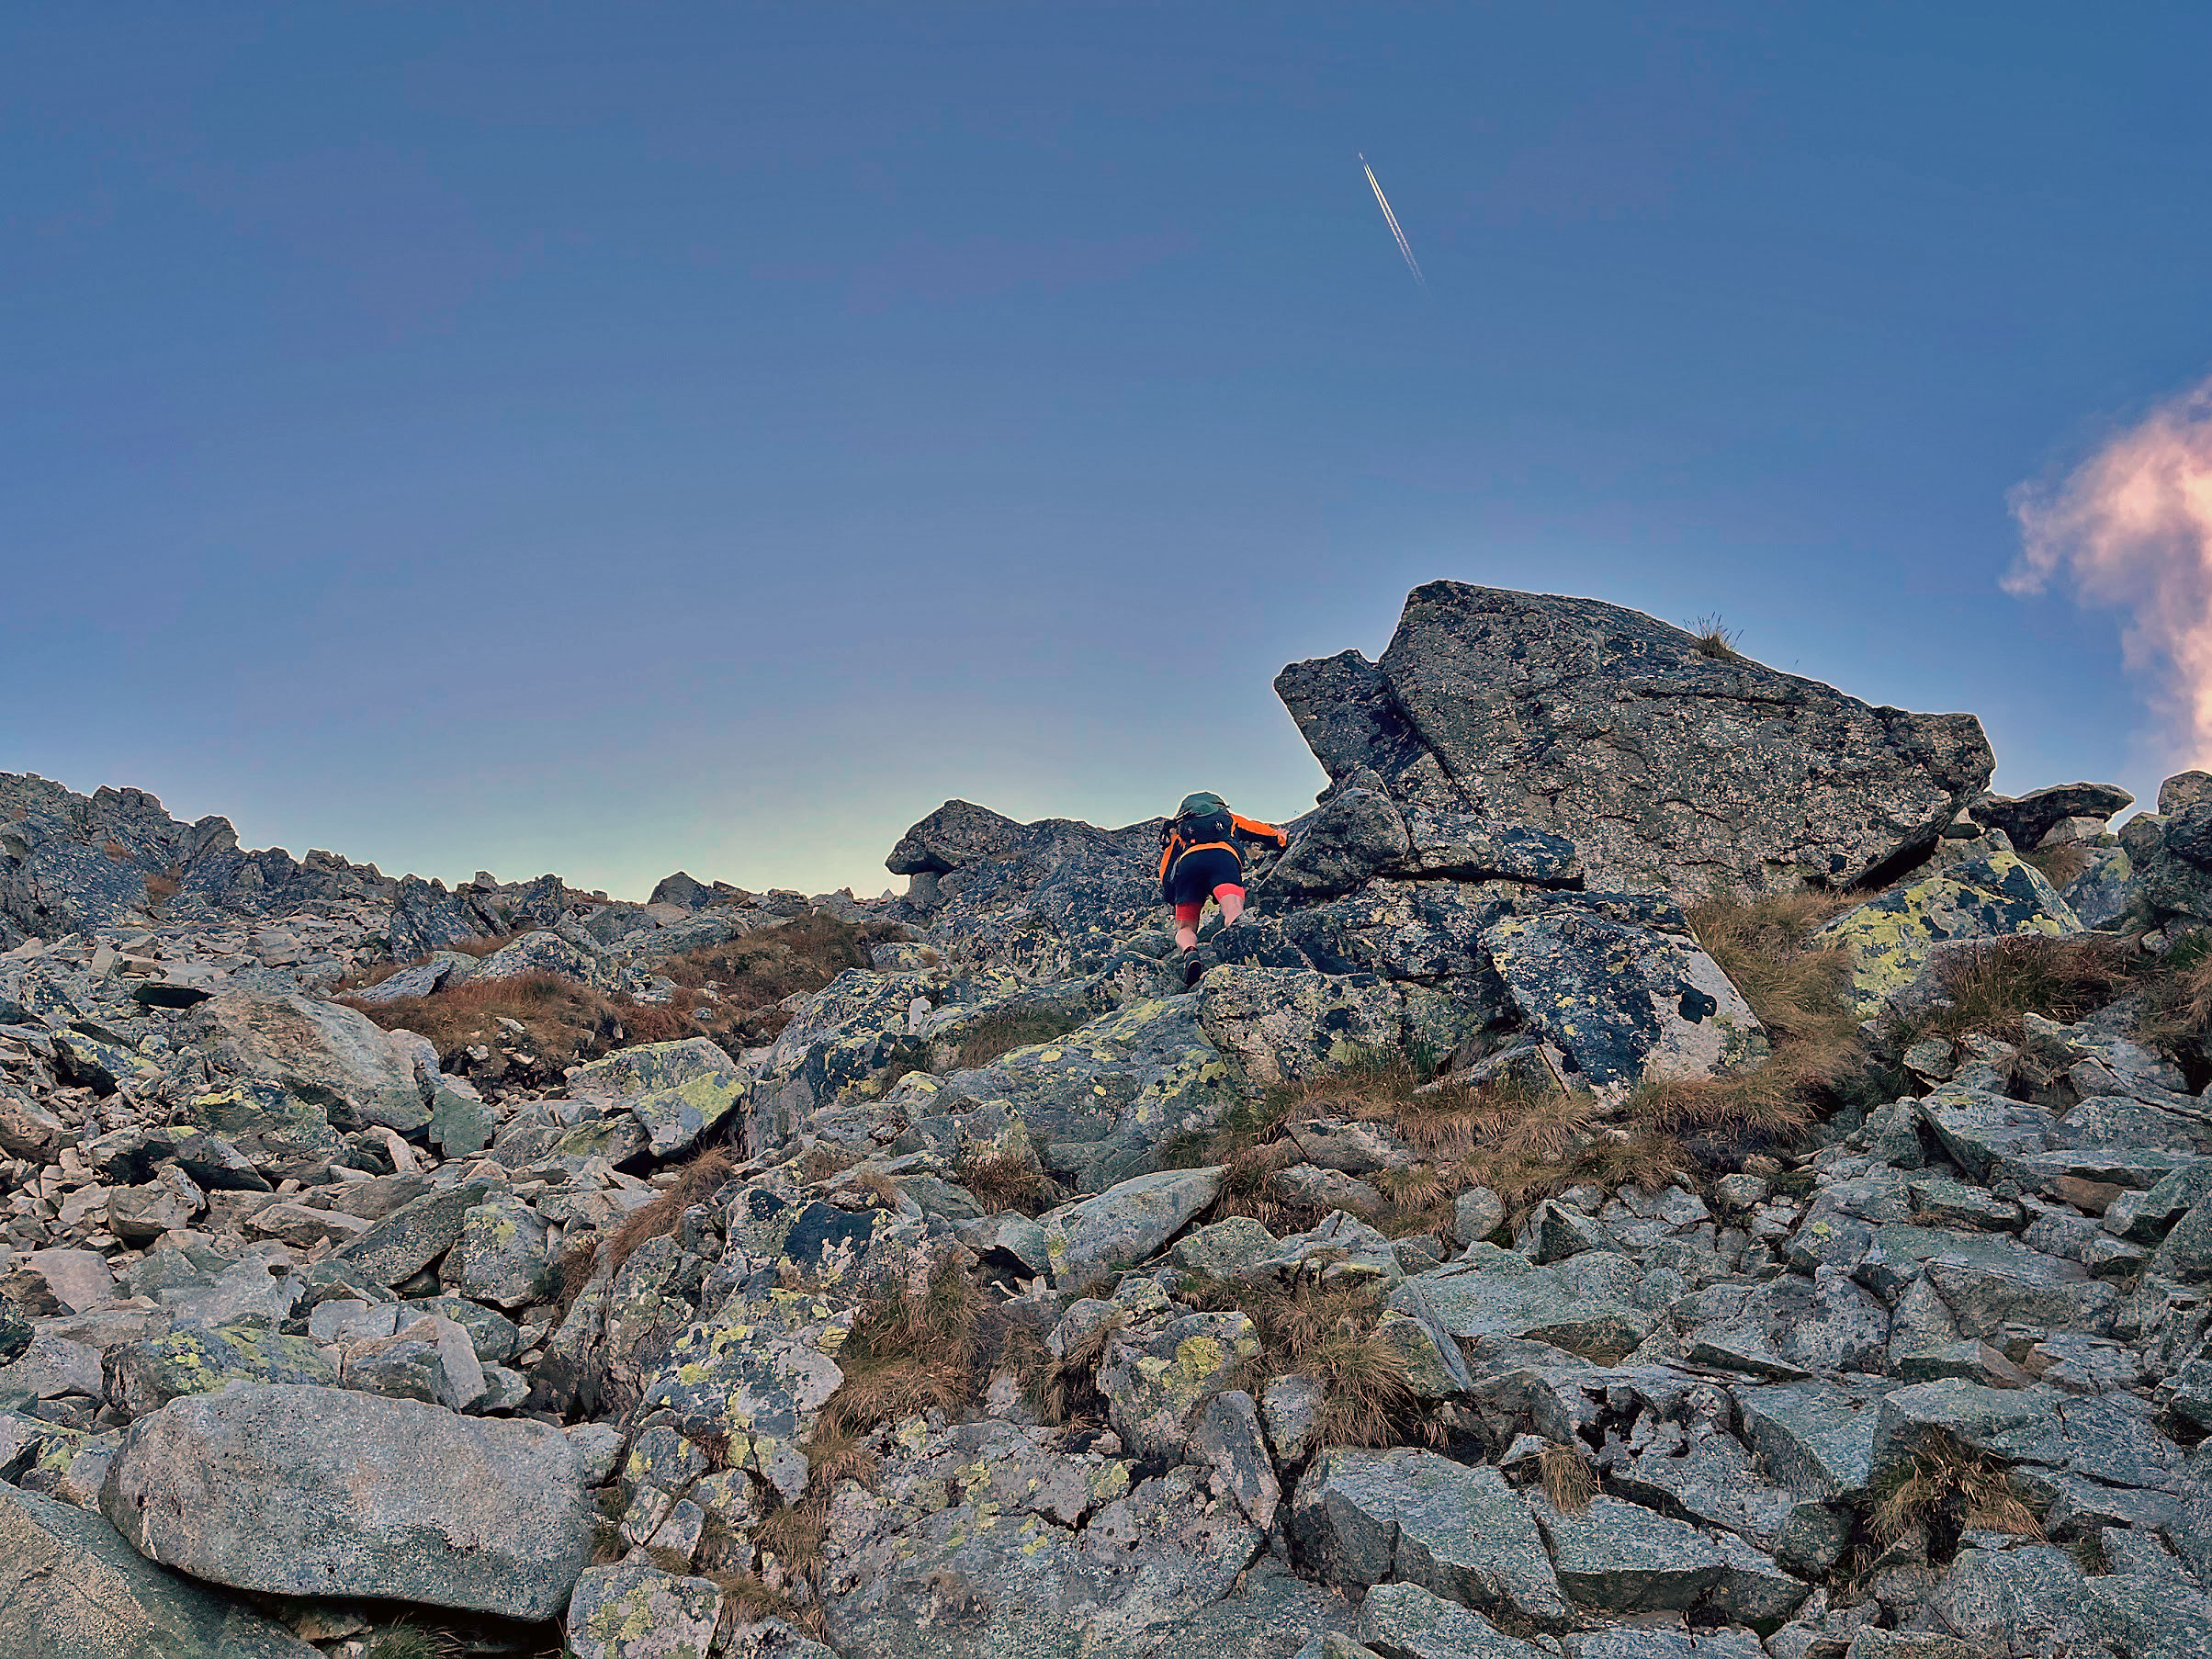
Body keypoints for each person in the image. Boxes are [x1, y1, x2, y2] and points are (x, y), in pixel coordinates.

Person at [1157, 791, 1289, 954]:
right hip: (1223, 858)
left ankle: (1190, 951)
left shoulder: (1179, 830)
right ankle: (1240, 940)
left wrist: (1172, 896)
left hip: (1189, 865)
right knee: (1232, 906)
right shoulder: (1229, 819)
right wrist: (1281, 838)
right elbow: (1261, 832)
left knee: (1185, 927)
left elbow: (1166, 869)